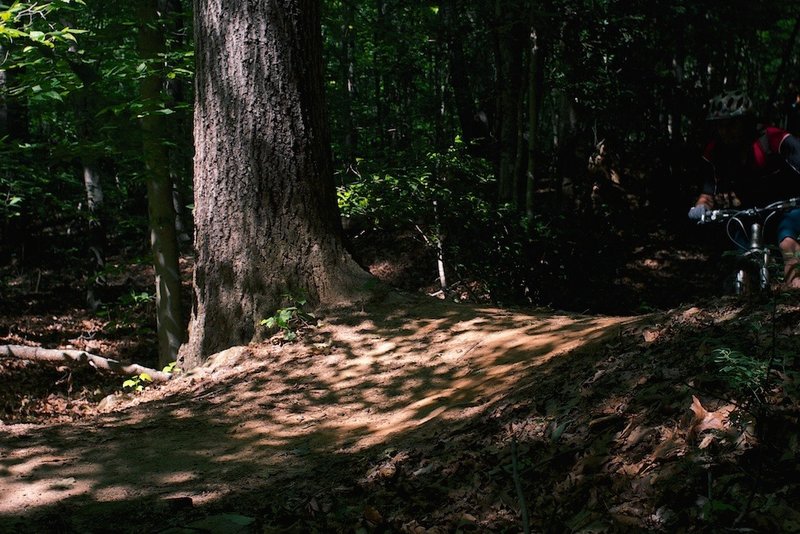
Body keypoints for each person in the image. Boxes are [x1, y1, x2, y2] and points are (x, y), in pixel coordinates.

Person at [688, 89, 800, 288]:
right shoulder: (715, 152)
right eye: (720, 125)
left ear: (747, 121)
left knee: (787, 242)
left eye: (731, 124)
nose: (725, 131)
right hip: (751, 212)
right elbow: (707, 192)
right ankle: (742, 304)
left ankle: (794, 300)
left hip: (789, 207)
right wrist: (701, 207)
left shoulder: (774, 139)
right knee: (740, 254)